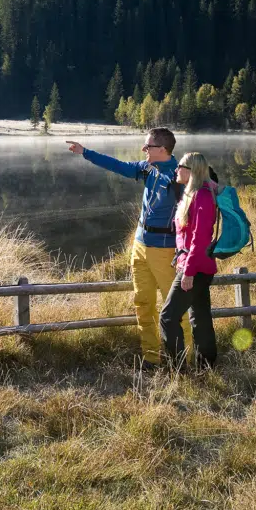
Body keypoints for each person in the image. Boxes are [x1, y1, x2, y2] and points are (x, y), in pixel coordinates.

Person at [66, 128, 191, 368]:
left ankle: (185, 360)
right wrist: (85, 152)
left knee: (174, 308)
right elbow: (118, 165)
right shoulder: (147, 169)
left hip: (165, 252)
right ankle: (151, 358)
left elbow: (195, 215)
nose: (144, 150)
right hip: (140, 246)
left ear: (162, 149)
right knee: (143, 304)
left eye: (148, 146)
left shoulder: (179, 177)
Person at [159, 151, 219, 369]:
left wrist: (188, 272)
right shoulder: (193, 193)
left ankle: (178, 369)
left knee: (168, 317)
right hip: (198, 266)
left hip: (196, 267)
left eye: (181, 166)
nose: (177, 170)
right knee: (200, 318)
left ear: (192, 170)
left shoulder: (202, 196)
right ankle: (207, 369)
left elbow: (200, 239)